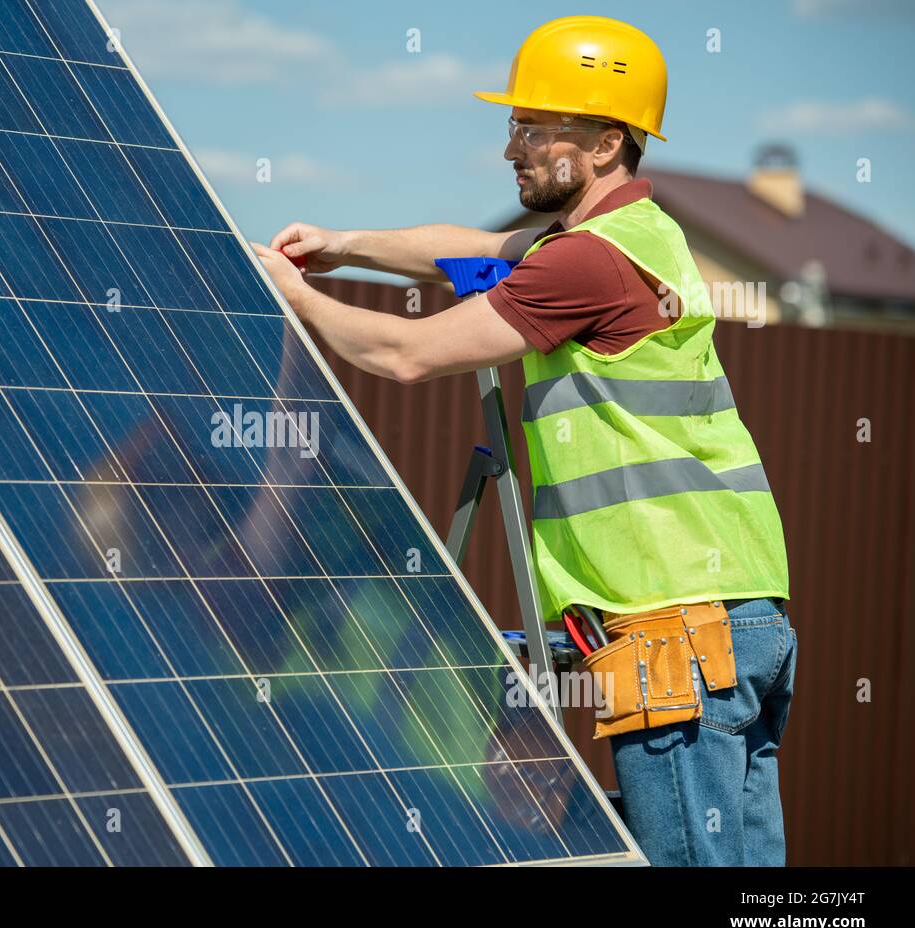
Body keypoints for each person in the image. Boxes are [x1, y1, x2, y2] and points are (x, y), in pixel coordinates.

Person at [252, 15, 796, 866]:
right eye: (514, 124)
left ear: (608, 141)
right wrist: (342, 246)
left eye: (536, 128)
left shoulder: (586, 264)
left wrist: (293, 295)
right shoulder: (635, 236)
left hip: (674, 627)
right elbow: (464, 251)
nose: (513, 147)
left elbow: (405, 354)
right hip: (741, 615)